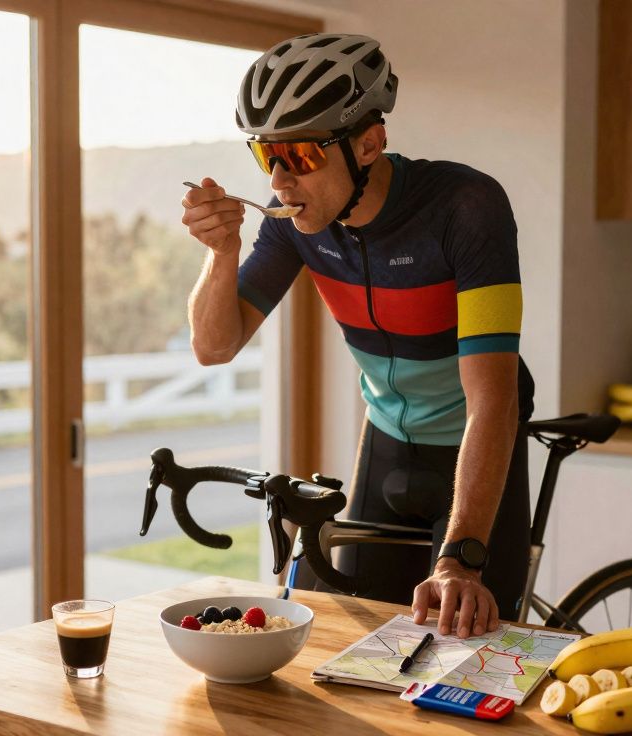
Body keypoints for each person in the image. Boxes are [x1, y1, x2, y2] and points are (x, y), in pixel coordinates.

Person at [180, 32, 535, 639]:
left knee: (469, 662)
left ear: (369, 143)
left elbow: (492, 399)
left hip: (475, 440)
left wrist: (461, 559)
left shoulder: (466, 207)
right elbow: (214, 346)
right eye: (267, 157)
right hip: (387, 440)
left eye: (301, 156)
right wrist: (223, 252)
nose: (281, 180)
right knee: (363, 645)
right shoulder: (295, 223)